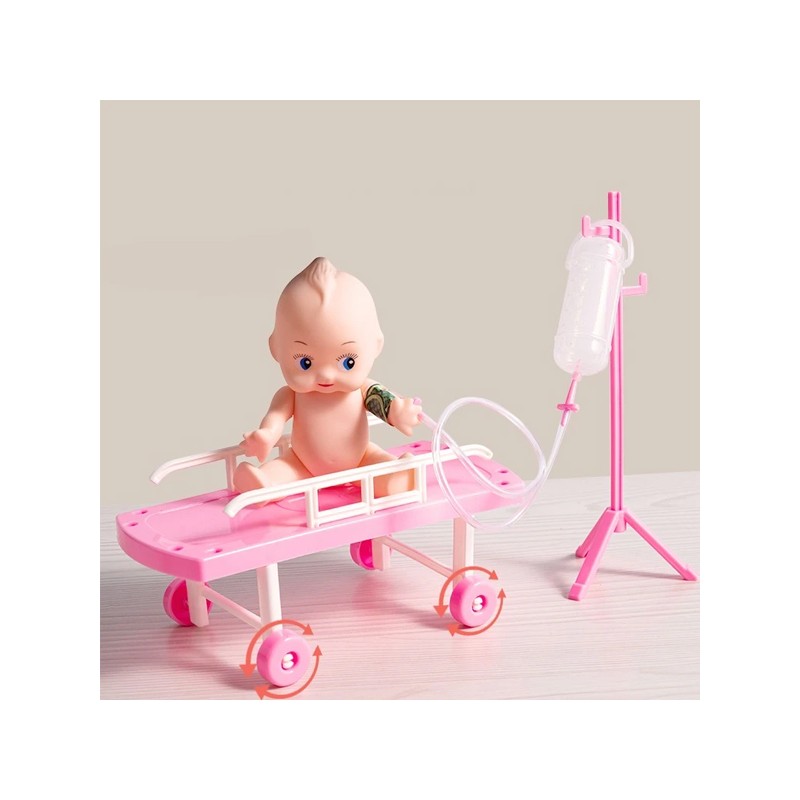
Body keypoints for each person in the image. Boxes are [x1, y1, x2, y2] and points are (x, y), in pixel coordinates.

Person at [234, 256, 422, 501]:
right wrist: (267, 436)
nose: (325, 375)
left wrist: (398, 412)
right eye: (305, 362)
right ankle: (263, 484)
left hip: (360, 460)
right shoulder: (290, 395)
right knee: (282, 470)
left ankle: (395, 478)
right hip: (302, 463)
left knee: (379, 464)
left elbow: (385, 403)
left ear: (375, 346)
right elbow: (275, 418)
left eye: (348, 362)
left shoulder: (364, 391)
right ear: (275, 349)